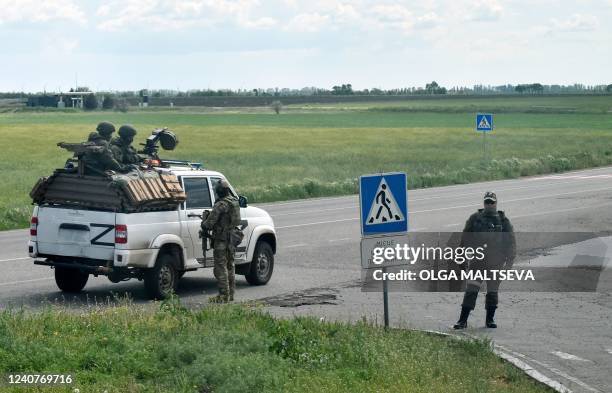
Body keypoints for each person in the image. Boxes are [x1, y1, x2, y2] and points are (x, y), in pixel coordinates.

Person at [453, 191, 516, 329]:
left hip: (496, 263)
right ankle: (462, 320)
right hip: (477, 263)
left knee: (492, 292)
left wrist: (508, 266)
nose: (489, 204)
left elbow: (511, 244)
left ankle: (490, 320)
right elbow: (464, 240)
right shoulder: (474, 219)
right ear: (484, 203)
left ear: (496, 203)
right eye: (487, 202)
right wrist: (460, 259)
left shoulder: (503, 221)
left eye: (491, 202)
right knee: (471, 291)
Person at [200, 179, 241, 303]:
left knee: (220, 268)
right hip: (232, 239)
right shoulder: (234, 201)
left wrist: (204, 223)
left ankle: (223, 296)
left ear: (219, 191)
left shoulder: (221, 204)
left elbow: (209, 224)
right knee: (230, 266)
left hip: (222, 240)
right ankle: (231, 294)